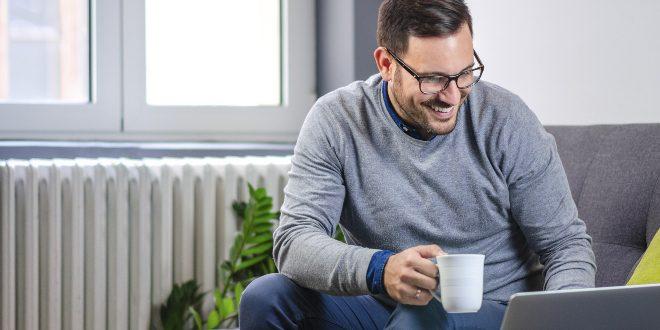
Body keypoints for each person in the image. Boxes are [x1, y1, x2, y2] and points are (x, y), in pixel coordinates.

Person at [239, 0, 596, 328]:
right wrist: (382, 269)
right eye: (433, 79)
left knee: (419, 321)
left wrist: (558, 320)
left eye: (465, 72)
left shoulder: (506, 120)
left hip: (492, 310)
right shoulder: (338, 120)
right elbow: (295, 241)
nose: (453, 95)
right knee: (266, 298)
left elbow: (565, 245)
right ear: (387, 64)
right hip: (383, 305)